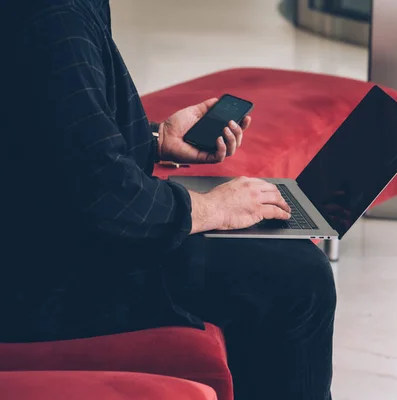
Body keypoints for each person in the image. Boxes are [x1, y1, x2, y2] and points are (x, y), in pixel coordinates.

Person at [0, 1, 336, 399]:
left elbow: (49, 138)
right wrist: (214, 209)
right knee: (298, 277)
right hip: (41, 281)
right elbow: (109, 199)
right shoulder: (54, 18)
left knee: (278, 259)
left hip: (43, 238)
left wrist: (156, 140)